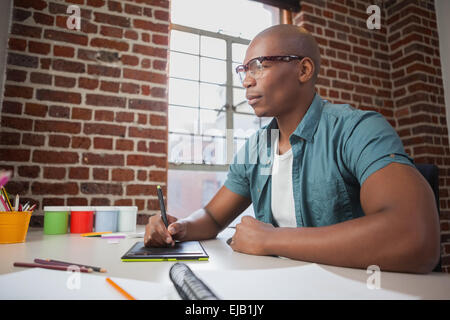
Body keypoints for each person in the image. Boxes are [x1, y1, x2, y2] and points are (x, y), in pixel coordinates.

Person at [145, 24, 440, 274]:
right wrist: (179, 227)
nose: (246, 81)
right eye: (243, 70)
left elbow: (415, 235)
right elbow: (211, 218)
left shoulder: (357, 130)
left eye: (259, 66)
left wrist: (271, 240)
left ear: (304, 69)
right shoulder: (257, 146)